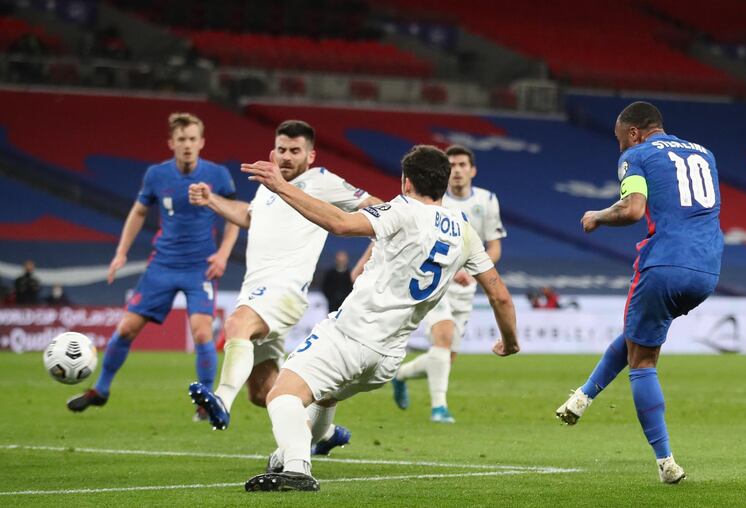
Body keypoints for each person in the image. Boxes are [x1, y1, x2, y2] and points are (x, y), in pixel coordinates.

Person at [239, 144, 519, 492]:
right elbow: (500, 295)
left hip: (352, 335)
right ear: (445, 184)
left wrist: (282, 185)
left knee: (281, 395)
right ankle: (289, 453)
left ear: (405, 183)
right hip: (387, 358)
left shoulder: (402, 209)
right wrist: (510, 342)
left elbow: (340, 223)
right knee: (325, 396)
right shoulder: (465, 232)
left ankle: (296, 469)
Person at [187, 120, 381, 458]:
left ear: (311, 155)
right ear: (272, 152)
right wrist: (212, 200)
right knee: (265, 392)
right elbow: (250, 216)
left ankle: (220, 399)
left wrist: (377, 244)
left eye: (295, 151)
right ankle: (326, 432)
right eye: (282, 150)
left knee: (236, 326)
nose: (287, 157)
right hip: (256, 290)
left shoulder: (322, 181)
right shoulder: (269, 184)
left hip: (286, 290)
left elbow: (374, 205)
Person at [555, 101, 722, 484]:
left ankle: (666, 463)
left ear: (634, 132)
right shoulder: (704, 154)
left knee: (643, 362)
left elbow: (632, 210)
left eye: (619, 140)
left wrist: (597, 216)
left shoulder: (638, 154)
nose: (620, 149)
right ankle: (582, 397)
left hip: (665, 261)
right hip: (708, 267)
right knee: (639, 335)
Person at [67, 113, 240, 420]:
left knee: (202, 333)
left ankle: (205, 401)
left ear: (202, 142)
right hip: (162, 264)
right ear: (171, 143)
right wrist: (121, 252)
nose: (187, 145)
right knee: (127, 328)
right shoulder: (156, 176)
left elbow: (235, 215)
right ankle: (101, 390)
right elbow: (137, 212)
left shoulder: (217, 176)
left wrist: (224, 254)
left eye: (192, 139)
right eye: (181, 140)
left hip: (200, 266)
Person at [390, 145, 506, 423]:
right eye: (452, 165)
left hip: (466, 288)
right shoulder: (434, 198)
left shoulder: (487, 200)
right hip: (435, 281)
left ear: (472, 170)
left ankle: (400, 375)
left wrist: (474, 269)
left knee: (445, 356)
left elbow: (494, 247)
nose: (457, 170)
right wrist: (453, 268)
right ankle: (439, 408)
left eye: (463, 165)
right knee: (442, 336)